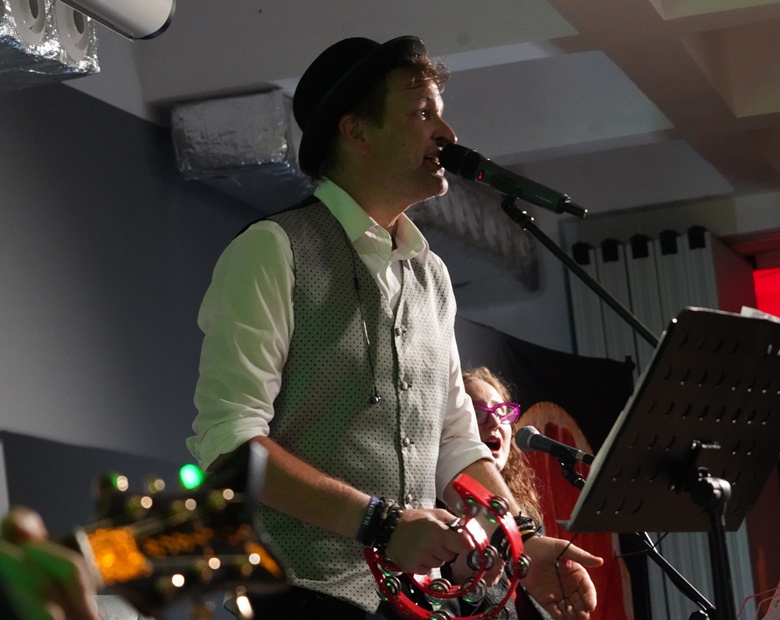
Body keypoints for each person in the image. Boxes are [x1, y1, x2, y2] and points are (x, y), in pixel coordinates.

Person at [186, 35, 602, 619]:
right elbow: (228, 444)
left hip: (408, 602)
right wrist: (379, 523)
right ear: (356, 131)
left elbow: (455, 441)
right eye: (422, 113)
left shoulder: (430, 274)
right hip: (296, 597)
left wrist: (522, 544)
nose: (447, 133)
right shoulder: (273, 250)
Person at [461, 367, 553, 619]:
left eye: (502, 412)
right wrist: (463, 579)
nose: (494, 422)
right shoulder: (434, 510)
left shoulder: (525, 517)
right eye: (477, 412)